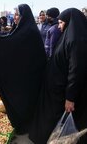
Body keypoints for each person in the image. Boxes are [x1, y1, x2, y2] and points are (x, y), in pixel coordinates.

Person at [0, 4, 47, 142]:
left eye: (18, 14)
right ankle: (22, 123)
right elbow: (8, 36)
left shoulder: (29, 31)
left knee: (26, 101)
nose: (15, 17)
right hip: (24, 75)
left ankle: (27, 125)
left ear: (24, 16)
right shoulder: (22, 29)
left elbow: (10, 43)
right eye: (15, 14)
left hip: (30, 76)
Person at [29, 8, 87, 144]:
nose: (59, 27)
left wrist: (70, 98)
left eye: (61, 23)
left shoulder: (76, 41)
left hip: (63, 91)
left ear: (70, 22)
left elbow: (76, 71)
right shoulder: (69, 35)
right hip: (56, 88)